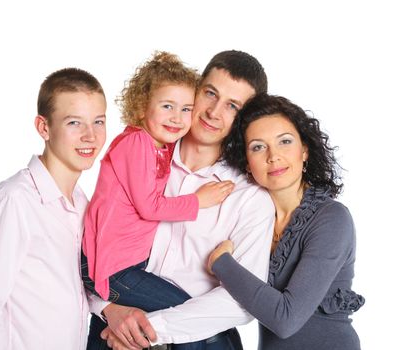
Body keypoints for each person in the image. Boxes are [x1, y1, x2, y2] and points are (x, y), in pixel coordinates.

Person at [87, 50, 275, 350]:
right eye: (210, 93)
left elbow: (241, 302)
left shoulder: (250, 199)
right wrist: (109, 309)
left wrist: (149, 331)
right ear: (194, 90)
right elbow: (93, 238)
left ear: (244, 119)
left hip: (194, 339)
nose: (214, 112)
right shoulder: (139, 157)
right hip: (113, 319)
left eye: (232, 106)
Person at [0, 68, 107, 350]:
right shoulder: (13, 201)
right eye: (75, 123)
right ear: (44, 128)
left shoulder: (82, 203)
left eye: (98, 121)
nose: (90, 135)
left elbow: (75, 287)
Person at [208, 94, 365, 349]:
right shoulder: (253, 219)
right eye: (258, 147)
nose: (273, 156)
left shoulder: (331, 218)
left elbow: (285, 319)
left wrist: (221, 263)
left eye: (285, 142)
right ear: (247, 163)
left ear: (304, 151)